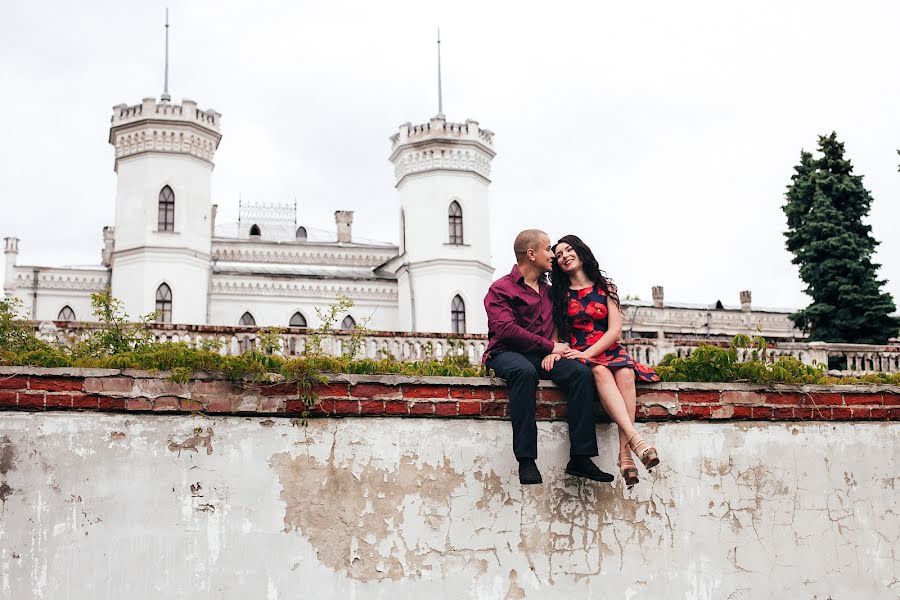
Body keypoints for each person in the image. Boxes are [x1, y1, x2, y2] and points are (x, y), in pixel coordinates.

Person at [483, 229, 615, 485]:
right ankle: (526, 461)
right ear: (531, 254)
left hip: (542, 355)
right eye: (547, 250)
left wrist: (557, 349)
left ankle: (580, 457)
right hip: (505, 354)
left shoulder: (549, 290)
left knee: (579, 373)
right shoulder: (500, 289)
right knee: (524, 372)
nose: (552, 255)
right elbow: (506, 330)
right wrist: (549, 346)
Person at [547, 234, 661, 488]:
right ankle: (636, 442)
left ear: (580, 251)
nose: (564, 256)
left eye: (568, 250)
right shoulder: (560, 293)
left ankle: (625, 454)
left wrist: (588, 353)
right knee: (599, 372)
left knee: (626, 374)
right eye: (558, 255)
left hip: (605, 347)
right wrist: (558, 350)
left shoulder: (605, 286)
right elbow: (557, 332)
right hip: (578, 351)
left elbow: (615, 331)